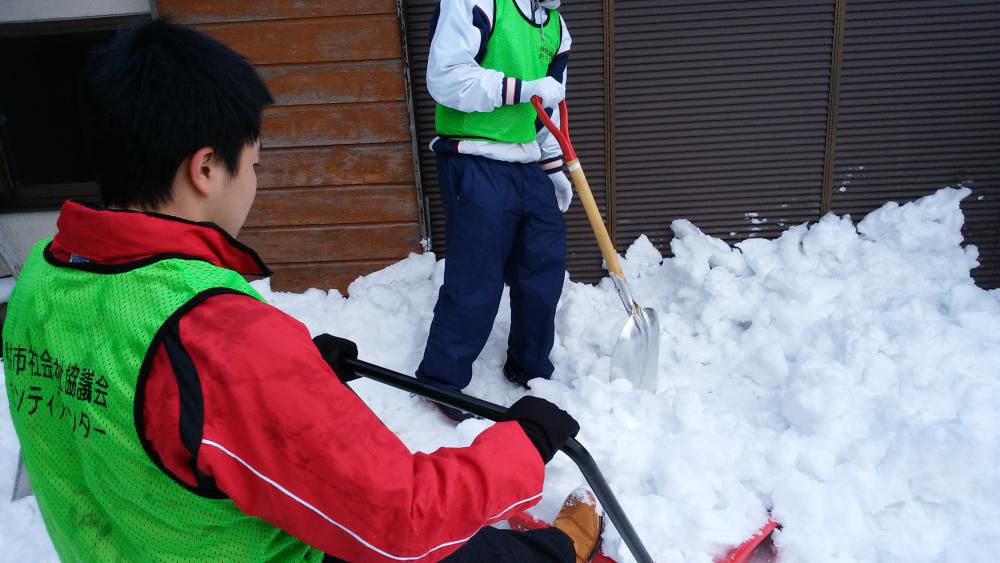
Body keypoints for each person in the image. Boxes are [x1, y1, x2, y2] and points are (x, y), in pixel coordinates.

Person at [1, 20, 602, 562]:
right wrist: (524, 442)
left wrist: (295, 380)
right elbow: (402, 518)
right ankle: (560, 550)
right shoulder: (217, 337)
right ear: (206, 169)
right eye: (254, 165)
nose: (254, 182)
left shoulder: (40, 278)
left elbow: (142, 402)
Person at [418, 0, 573, 421]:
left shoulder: (556, 28)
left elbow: (550, 107)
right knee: (477, 276)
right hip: (474, 158)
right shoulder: (477, 2)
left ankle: (529, 365)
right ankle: (441, 378)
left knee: (544, 265)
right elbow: (446, 77)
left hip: (526, 164)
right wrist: (523, 89)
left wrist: (553, 164)